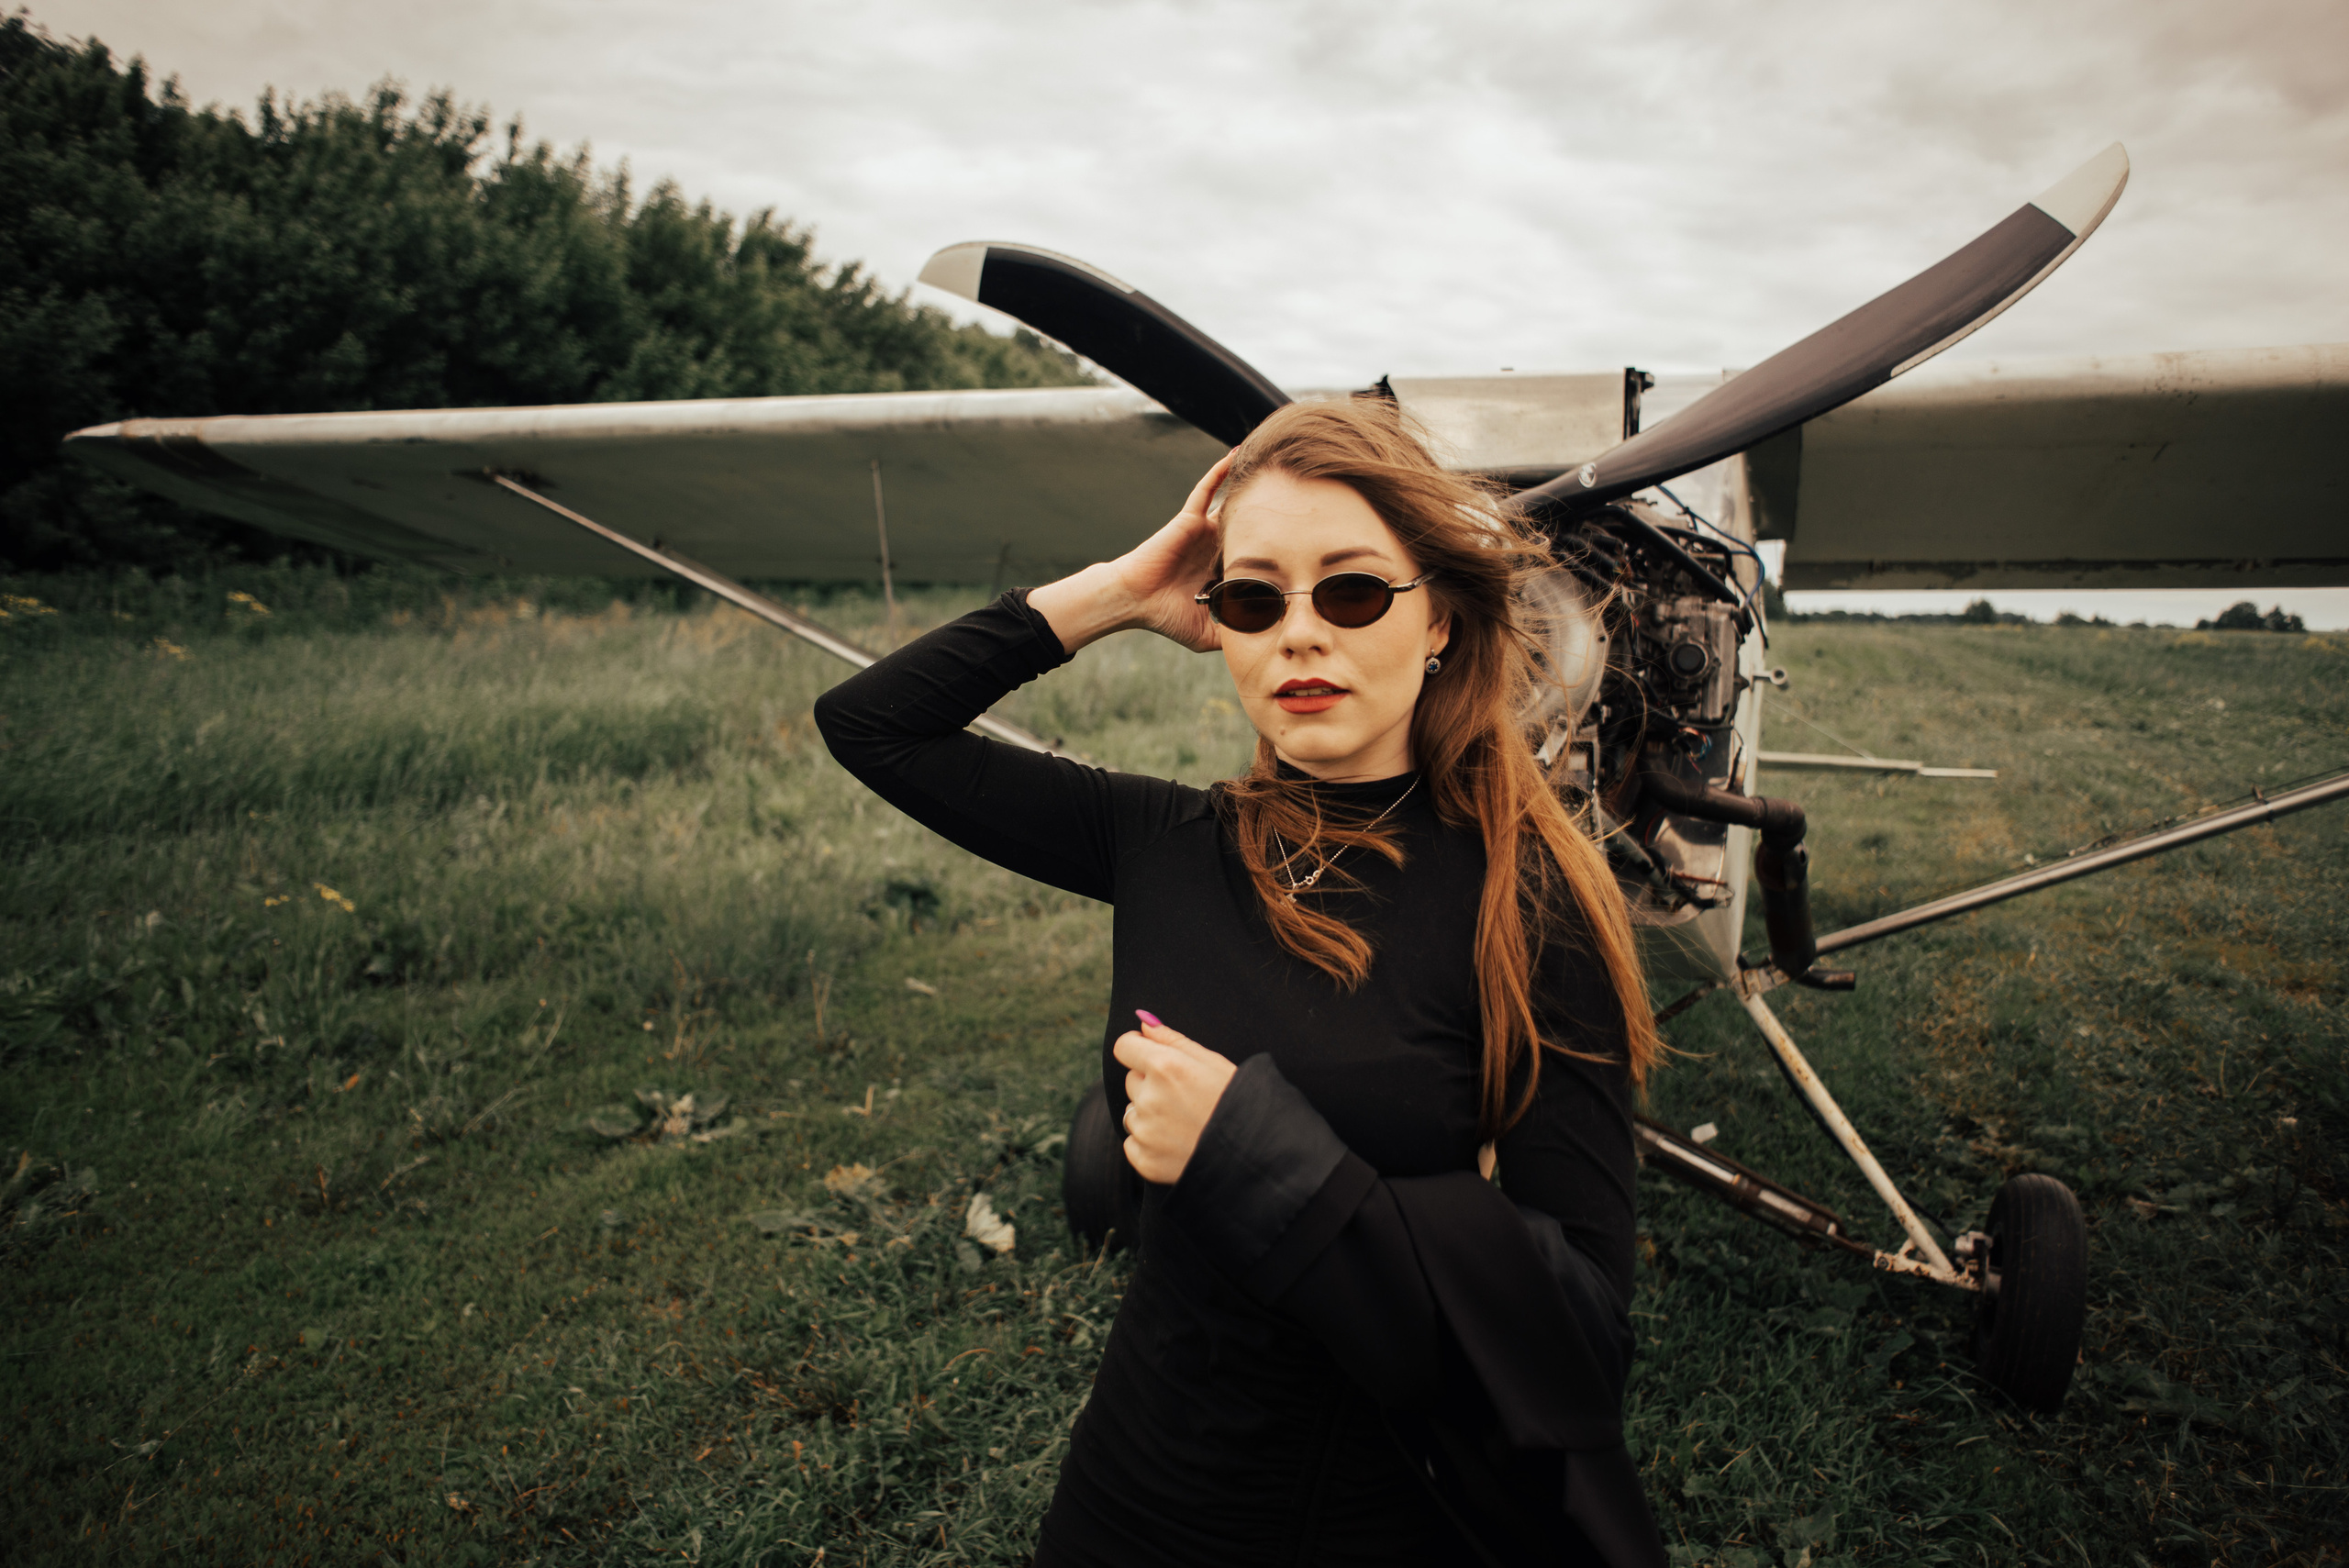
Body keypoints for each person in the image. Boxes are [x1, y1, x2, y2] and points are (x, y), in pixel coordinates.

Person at [815, 398, 1665, 1568]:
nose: (1297, 635)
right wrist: (1116, 589)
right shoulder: (1164, 841)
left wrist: (1259, 1153)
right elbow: (872, 727)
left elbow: (1581, 1338)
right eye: (1255, 597)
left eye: (1354, 591)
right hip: (1133, 1491)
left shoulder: (1532, 901)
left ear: (1442, 624)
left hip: (1378, 1510)